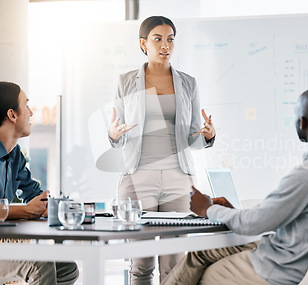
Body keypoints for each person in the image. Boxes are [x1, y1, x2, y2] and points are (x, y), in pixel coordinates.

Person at [162, 87, 308, 285]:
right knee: (202, 252)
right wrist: (234, 213)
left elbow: (253, 224)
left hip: (281, 267)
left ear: (302, 122)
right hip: (305, 257)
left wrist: (208, 209)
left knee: (203, 271)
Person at [107, 16, 216, 284]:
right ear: (144, 44)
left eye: (170, 39)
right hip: (138, 176)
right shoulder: (126, 81)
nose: (165, 45)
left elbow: (193, 135)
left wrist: (208, 136)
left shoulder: (188, 83)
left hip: (179, 179)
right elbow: (117, 132)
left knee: (174, 264)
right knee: (141, 263)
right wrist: (113, 134)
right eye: (158, 39)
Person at [0, 81, 79, 285]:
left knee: (67, 269)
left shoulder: (14, 154)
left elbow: (33, 194)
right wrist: (27, 210)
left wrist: (47, 205)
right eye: (26, 105)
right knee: (40, 266)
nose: (31, 112)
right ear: (12, 114)